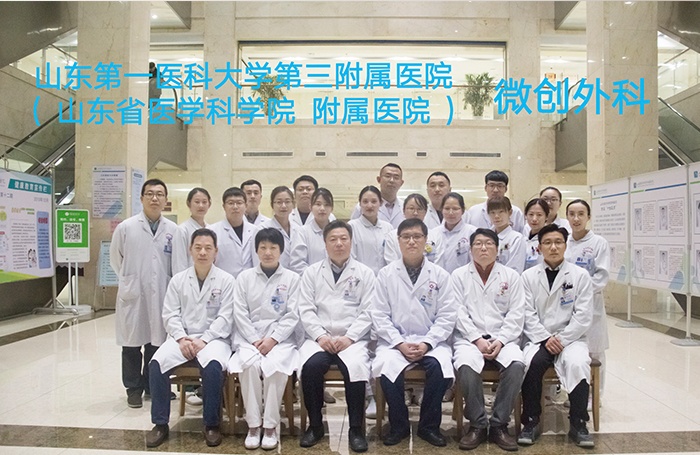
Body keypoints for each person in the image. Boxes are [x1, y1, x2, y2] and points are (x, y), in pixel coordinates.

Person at [146, 228, 234, 448]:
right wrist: (182, 338)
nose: (202, 252)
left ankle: (211, 425)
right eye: (198, 247)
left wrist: (205, 339)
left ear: (216, 251)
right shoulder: (178, 280)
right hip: (182, 339)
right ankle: (160, 423)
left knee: (213, 368)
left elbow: (226, 316)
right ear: (190, 250)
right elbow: (170, 314)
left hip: (214, 340)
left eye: (208, 248)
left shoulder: (226, 280)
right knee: (156, 364)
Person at [372, 218, 456, 447]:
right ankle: (398, 426)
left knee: (440, 368)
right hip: (395, 342)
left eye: (417, 237)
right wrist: (399, 343)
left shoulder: (440, 275)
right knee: (387, 366)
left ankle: (429, 426)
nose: (411, 241)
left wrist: (427, 343)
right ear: (398, 241)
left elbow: (448, 315)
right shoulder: (385, 275)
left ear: (426, 241)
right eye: (406, 237)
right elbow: (379, 315)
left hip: (430, 341)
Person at [293, 220, 375, 452]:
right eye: (333, 239)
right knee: (311, 367)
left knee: (355, 368)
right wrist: (320, 336)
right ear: (325, 243)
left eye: (343, 239)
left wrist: (350, 337)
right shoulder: (311, 273)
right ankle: (315, 425)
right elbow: (305, 309)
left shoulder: (365, 273)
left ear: (351, 241)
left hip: (352, 339)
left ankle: (356, 429)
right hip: (320, 338)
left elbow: (369, 310)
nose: (339, 243)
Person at [518, 224, 594, 448]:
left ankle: (578, 423)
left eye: (558, 242)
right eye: (548, 243)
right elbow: (526, 313)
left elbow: (583, 315)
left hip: (571, 338)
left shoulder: (580, 276)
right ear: (539, 247)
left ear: (565, 245)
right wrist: (545, 338)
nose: (553, 247)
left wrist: (562, 339)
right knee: (532, 364)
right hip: (540, 337)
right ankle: (531, 421)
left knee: (578, 364)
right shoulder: (528, 276)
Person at [452, 228, 525, 451]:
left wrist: (501, 340)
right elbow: (457, 312)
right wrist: (476, 339)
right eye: (478, 244)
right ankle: (477, 424)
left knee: (516, 365)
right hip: (469, 339)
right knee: (466, 366)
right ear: (470, 249)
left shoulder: (511, 276)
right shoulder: (458, 276)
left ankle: (499, 425)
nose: (483, 248)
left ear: (497, 249)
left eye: (489, 244)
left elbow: (516, 313)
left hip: (504, 338)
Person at [228, 228, 300, 450]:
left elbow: (293, 314)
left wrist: (273, 339)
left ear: (281, 250)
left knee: (275, 366)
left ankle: (270, 426)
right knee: (249, 366)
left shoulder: (292, 279)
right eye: (263, 248)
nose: (268, 252)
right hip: (249, 338)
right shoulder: (244, 278)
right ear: (257, 250)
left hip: (280, 339)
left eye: (273, 248)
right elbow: (239, 312)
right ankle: (253, 426)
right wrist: (254, 339)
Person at [110, 178, 177, 409]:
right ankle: (133, 389)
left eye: (159, 194)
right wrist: (130, 280)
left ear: (166, 200)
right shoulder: (126, 227)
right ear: (141, 198)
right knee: (131, 344)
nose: (154, 198)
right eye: (150, 194)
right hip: (134, 293)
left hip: (161, 294)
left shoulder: (173, 230)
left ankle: (152, 386)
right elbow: (116, 260)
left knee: (155, 342)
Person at [565, 199, 610, 399]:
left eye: (581, 214)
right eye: (572, 214)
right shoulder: (564, 242)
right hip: (567, 306)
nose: (576, 219)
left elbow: (601, 277)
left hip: (591, 305)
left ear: (588, 217)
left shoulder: (599, 243)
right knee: (573, 353)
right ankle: (575, 395)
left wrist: (578, 291)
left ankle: (595, 396)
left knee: (595, 352)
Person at [210, 187, 259, 278]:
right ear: (224, 206)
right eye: (231, 203)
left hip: (249, 281)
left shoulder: (255, 230)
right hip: (223, 282)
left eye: (239, 203)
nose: (235, 207)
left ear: (246, 205)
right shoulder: (212, 231)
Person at [349, 185, 394, 275]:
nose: (369, 205)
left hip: (384, 279)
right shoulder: (352, 227)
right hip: (361, 278)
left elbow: (392, 258)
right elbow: (351, 258)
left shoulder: (388, 227)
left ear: (380, 203)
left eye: (374, 201)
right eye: (365, 201)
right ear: (360, 204)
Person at [428, 192, 477, 273]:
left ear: (463, 211)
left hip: (463, 278)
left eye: (455, 209)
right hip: (437, 278)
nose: (451, 213)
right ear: (442, 210)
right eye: (447, 208)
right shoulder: (433, 233)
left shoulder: (473, 233)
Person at [289, 188, 334, 274]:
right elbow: (297, 264)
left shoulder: (338, 232)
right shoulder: (302, 232)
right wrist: (316, 277)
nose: (322, 208)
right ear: (310, 207)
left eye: (327, 204)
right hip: (311, 280)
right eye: (318, 204)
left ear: (332, 208)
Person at [350, 163, 406, 228]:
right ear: (379, 179)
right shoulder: (361, 207)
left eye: (396, 177)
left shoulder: (405, 207)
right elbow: (352, 229)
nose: (391, 180)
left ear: (401, 183)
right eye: (388, 176)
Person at [172, 187, 211, 275]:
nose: (201, 205)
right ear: (189, 204)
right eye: (197, 202)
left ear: (209, 204)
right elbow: (179, 263)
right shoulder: (182, 230)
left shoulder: (211, 229)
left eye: (204, 202)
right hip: (188, 279)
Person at [384, 193, 429, 263]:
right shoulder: (392, 236)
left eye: (419, 209)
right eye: (411, 208)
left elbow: (437, 264)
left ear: (425, 212)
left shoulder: (434, 235)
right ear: (404, 211)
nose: (415, 213)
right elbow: (391, 262)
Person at [261, 186, 298, 268]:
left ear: (293, 204)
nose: (283, 206)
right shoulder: (262, 228)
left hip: (297, 275)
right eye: (279, 202)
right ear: (272, 205)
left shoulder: (299, 229)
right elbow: (258, 259)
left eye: (287, 202)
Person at [488, 197, 527, 274]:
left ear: (510, 212)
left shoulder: (516, 239)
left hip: (507, 279)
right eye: (492, 212)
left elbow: (515, 268)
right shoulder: (485, 237)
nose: (496, 216)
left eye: (501, 211)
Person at [523, 198, 550, 271]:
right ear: (525, 215)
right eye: (531, 214)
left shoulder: (549, 240)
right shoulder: (522, 239)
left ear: (546, 217)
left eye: (539, 215)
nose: (534, 219)